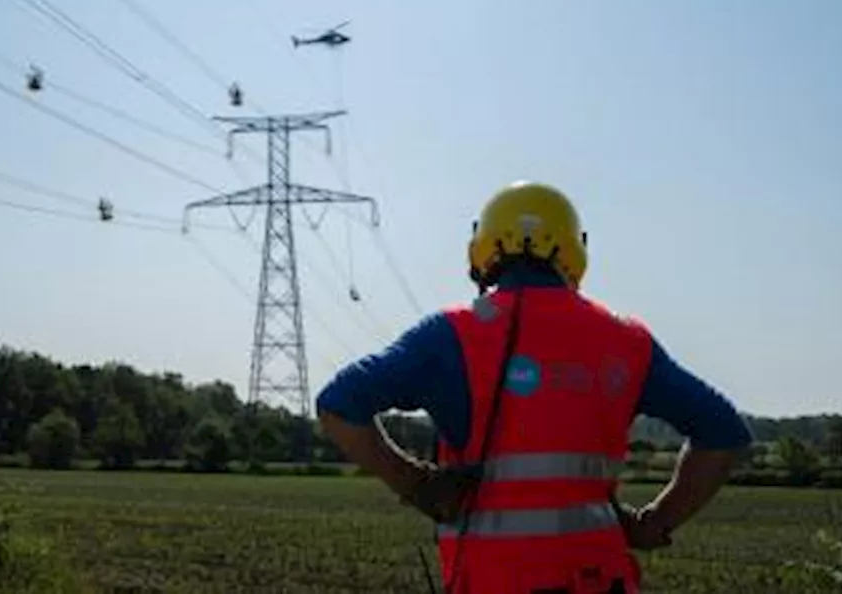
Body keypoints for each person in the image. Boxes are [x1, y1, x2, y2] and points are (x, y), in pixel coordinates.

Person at [315, 180, 753, 594]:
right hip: (602, 579)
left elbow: (338, 405)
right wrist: (655, 522)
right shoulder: (627, 341)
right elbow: (723, 433)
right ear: (573, 251)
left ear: (483, 248)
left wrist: (414, 483)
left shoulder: (449, 335)